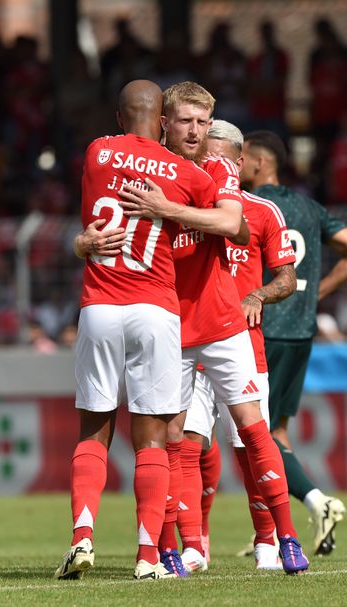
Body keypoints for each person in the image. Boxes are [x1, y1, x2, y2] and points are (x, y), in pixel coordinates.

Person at [119, 82, 308, 576]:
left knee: (253, 428)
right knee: (172, 439)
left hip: (223, 322)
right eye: (185, 121)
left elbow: (232, 225)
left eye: (203, 123)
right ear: (164, 122)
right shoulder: (146, 170)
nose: (195, 132)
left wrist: (168, 211)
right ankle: (173, 549)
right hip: (167, 323)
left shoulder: (218, 168)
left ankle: (285, 538)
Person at [55, 80, 228, 581]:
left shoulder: (97, 152)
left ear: (118, 116)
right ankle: (149, 556)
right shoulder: (182, 171)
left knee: (93, 430)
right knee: (151, 438)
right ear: (161, 121)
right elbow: (225, 218)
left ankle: (82, 536)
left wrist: (82, 244)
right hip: (155, 307)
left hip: (100, 304)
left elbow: (89, 220)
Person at [238, 129, 347, 556]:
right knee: (276, 431)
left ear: (259, 163)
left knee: (254, 434)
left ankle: (317, 501)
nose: (235, 167)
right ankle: (281, 527)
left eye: (241, 159)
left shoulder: (251, 206)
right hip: (300, 330)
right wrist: (315, 294)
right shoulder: (311, 208)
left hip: (264, 324)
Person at [180, 120, 298, 571]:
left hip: (242, 344)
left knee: (250, 447)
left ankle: (268, 540)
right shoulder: (183, 206)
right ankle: (196, 542)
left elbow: (287, 278)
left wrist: (257, 294)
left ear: (233, 160)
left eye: (210, 155)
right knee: (190, 445)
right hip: (191, 341)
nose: (201, 163)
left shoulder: (263, 212)